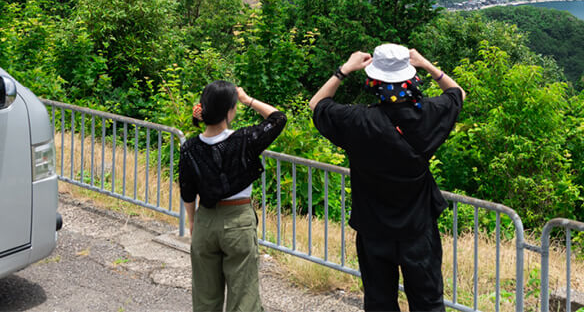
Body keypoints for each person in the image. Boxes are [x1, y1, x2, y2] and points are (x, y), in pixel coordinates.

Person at [309, 43, 465, 312]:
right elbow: (457, 93)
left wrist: (344, 70)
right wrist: (426, 64)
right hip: (418, 229)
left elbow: (316, 104)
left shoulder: (357, 120)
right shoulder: (426, 115)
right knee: (427, 302)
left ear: (373, 81)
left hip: (373, 229)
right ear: (409, 78)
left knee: (379, 302)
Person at [179, 80, 286, 312]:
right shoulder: (244, 140)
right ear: (230, 110)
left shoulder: (189, 148)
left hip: (205, 220)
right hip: (238, 221)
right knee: (243, 298)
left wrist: (192, 222)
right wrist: (248, 99)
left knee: (205, 298)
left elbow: (187, 190)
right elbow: (278, 119)